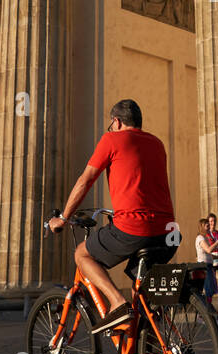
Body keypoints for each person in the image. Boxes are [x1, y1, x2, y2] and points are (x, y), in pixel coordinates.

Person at [47, 99, 176, 333]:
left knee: (82, 254)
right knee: (142, 293)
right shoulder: (157, 143)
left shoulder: (112, 139)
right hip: (169, 234)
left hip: (135, 228)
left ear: (116, 122)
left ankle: (117, 303)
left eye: (111, 124)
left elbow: (85, 181)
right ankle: (152, 352)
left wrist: (64, 218)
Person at [194, 218, 218, 305]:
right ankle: (204, 313)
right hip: (204, 266)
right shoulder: (200, 238)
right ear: (202, 227)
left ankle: (208, 310)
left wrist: (216, 256)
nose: (209, 228)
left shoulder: (205, 238)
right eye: (207, 226)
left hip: (209, 265)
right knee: (207, 290)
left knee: (210, 291)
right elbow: (208, 250)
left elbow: (207, 253)